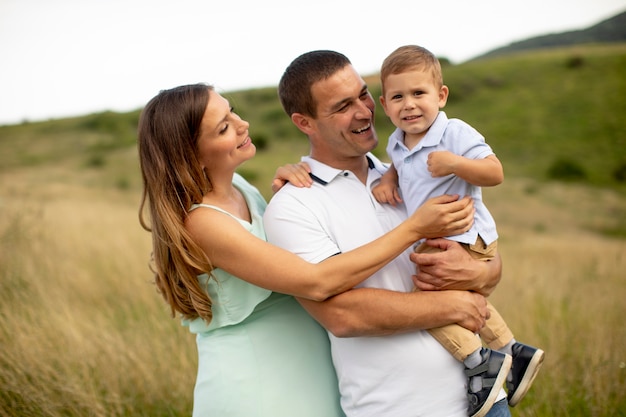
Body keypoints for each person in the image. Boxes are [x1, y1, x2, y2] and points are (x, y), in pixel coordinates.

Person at [136, 83, 478, 416]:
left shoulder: (239, 187)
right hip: (257, 382)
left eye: (233, 112)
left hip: (307, 368)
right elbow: (316, 281)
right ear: (191, 156)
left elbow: (277, 250)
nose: (243, 125)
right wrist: (415, 228)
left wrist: (288, 179)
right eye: (225, 127)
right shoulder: (204, 223)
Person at [263, 50, 508, 417]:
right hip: (398, 408)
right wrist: (451, 301)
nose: (364, 111)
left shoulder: (410, 173)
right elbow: (344, 316)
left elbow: (482, 252)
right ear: (305, 122)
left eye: (363, 94)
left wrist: (484, 273)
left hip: (487, 402)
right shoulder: (293, 205)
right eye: (343, 106)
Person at [372, 45, 545, 416]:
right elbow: (399, 165)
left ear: (441, 95)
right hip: (442, 241)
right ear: (385, 105)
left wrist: (456, 163)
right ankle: (513, 350)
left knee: (429, 304)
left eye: (419, 93)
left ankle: (479, 360)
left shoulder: (453, 132)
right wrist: (388, 178)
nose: (409, 105)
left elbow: (494, 173)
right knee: (455, 298)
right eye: (398, 97)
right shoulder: (397, 141)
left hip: (466, 235)